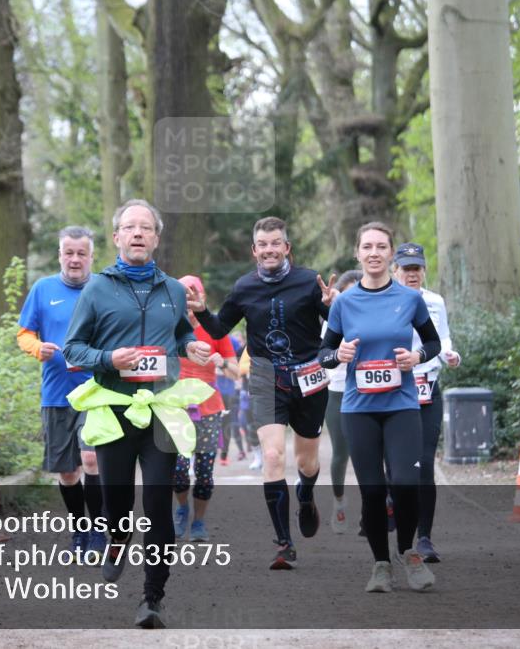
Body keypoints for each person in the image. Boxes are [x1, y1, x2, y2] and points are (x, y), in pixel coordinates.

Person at [63, 200, 213, 629]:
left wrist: (191, 346)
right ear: (116, 238)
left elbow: (181, 331)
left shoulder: (172, 289)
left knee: (159, 504)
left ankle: (152, 598)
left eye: (145, 228)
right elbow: (74, 348)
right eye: (129, 227)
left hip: (161, 408)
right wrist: (111, 357)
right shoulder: (96, 289)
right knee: (117, 503)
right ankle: (116, 536)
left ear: (156, 238)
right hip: (114, 408)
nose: (138, 234)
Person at [187, 216, 338, 570]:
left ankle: (305, 494)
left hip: (309, 378)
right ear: (255, 251)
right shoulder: (244, 288)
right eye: (263, 245)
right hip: (266, 378)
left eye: (276, 243)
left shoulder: (308, 281)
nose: (269, 250)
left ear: (287, 248)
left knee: (306, 462)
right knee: (272, 457)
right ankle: (284, 544)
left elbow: (338, 327)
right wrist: (202, 313)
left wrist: (333, 305)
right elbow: (220, 327)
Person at [318, 222, 441, 593]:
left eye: (381, 246)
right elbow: (323, 353)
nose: (374, 252)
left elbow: (433, 343)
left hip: (402, 404)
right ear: (357, 253)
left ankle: (408, 553)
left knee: (405, 482)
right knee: (372, 490)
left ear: (391, 254)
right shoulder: (345, 302)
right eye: (367, 246)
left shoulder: (409, 299)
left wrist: (416, 355)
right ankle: (381, 564)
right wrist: (337, 355)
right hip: (359, 409)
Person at [17, 226, 106, 562]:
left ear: (91, 257)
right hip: (56, 393)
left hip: (96, 390)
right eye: (68, 252)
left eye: (81, 253)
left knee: (91, 458)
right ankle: (79, 529)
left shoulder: (103, 288)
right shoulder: (43, 289)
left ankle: (99, 530)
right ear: (59, 255)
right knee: (67, 472)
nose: (75, 259)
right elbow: (24, 334)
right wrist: (36, 348)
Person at [393, 242, 461, 563]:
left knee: (424, 464)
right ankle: (393, 504)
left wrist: (450, 353)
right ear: (395, 271)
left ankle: (424, 538)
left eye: (416, 268)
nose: (412, 274)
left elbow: (442, 338)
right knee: (397, 465)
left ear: (424, 270)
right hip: (393, 389)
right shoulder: (385, 301)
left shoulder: (436, 302)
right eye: (406, 269)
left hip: (427, 387)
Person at [172, 275, 239, 543]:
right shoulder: (169, 328)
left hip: (209, 408)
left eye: (192, 297)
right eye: (182, 298)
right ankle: (182, 509)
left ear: (201, 299)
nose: (187, 305)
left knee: (204, 470)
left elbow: (236, 372)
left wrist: (220, 362)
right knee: (177, 469)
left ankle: (198, 522)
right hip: (175, 408)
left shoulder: (215, 330)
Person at [322, 270, 362, 534]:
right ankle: (338, 502)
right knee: (341, 453)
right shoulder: (333, 319)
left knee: (369, 455)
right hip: (337, 390)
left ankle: (370, 512)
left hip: (369, 390)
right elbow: (322, 355)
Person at [216, 331, 245, 464]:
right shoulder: (197, 337)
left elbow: (239, 361)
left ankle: (224, 454)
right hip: (207, 388)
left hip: (227, 388)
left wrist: (224, 365)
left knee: (227, 423)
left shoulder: (230, 340)